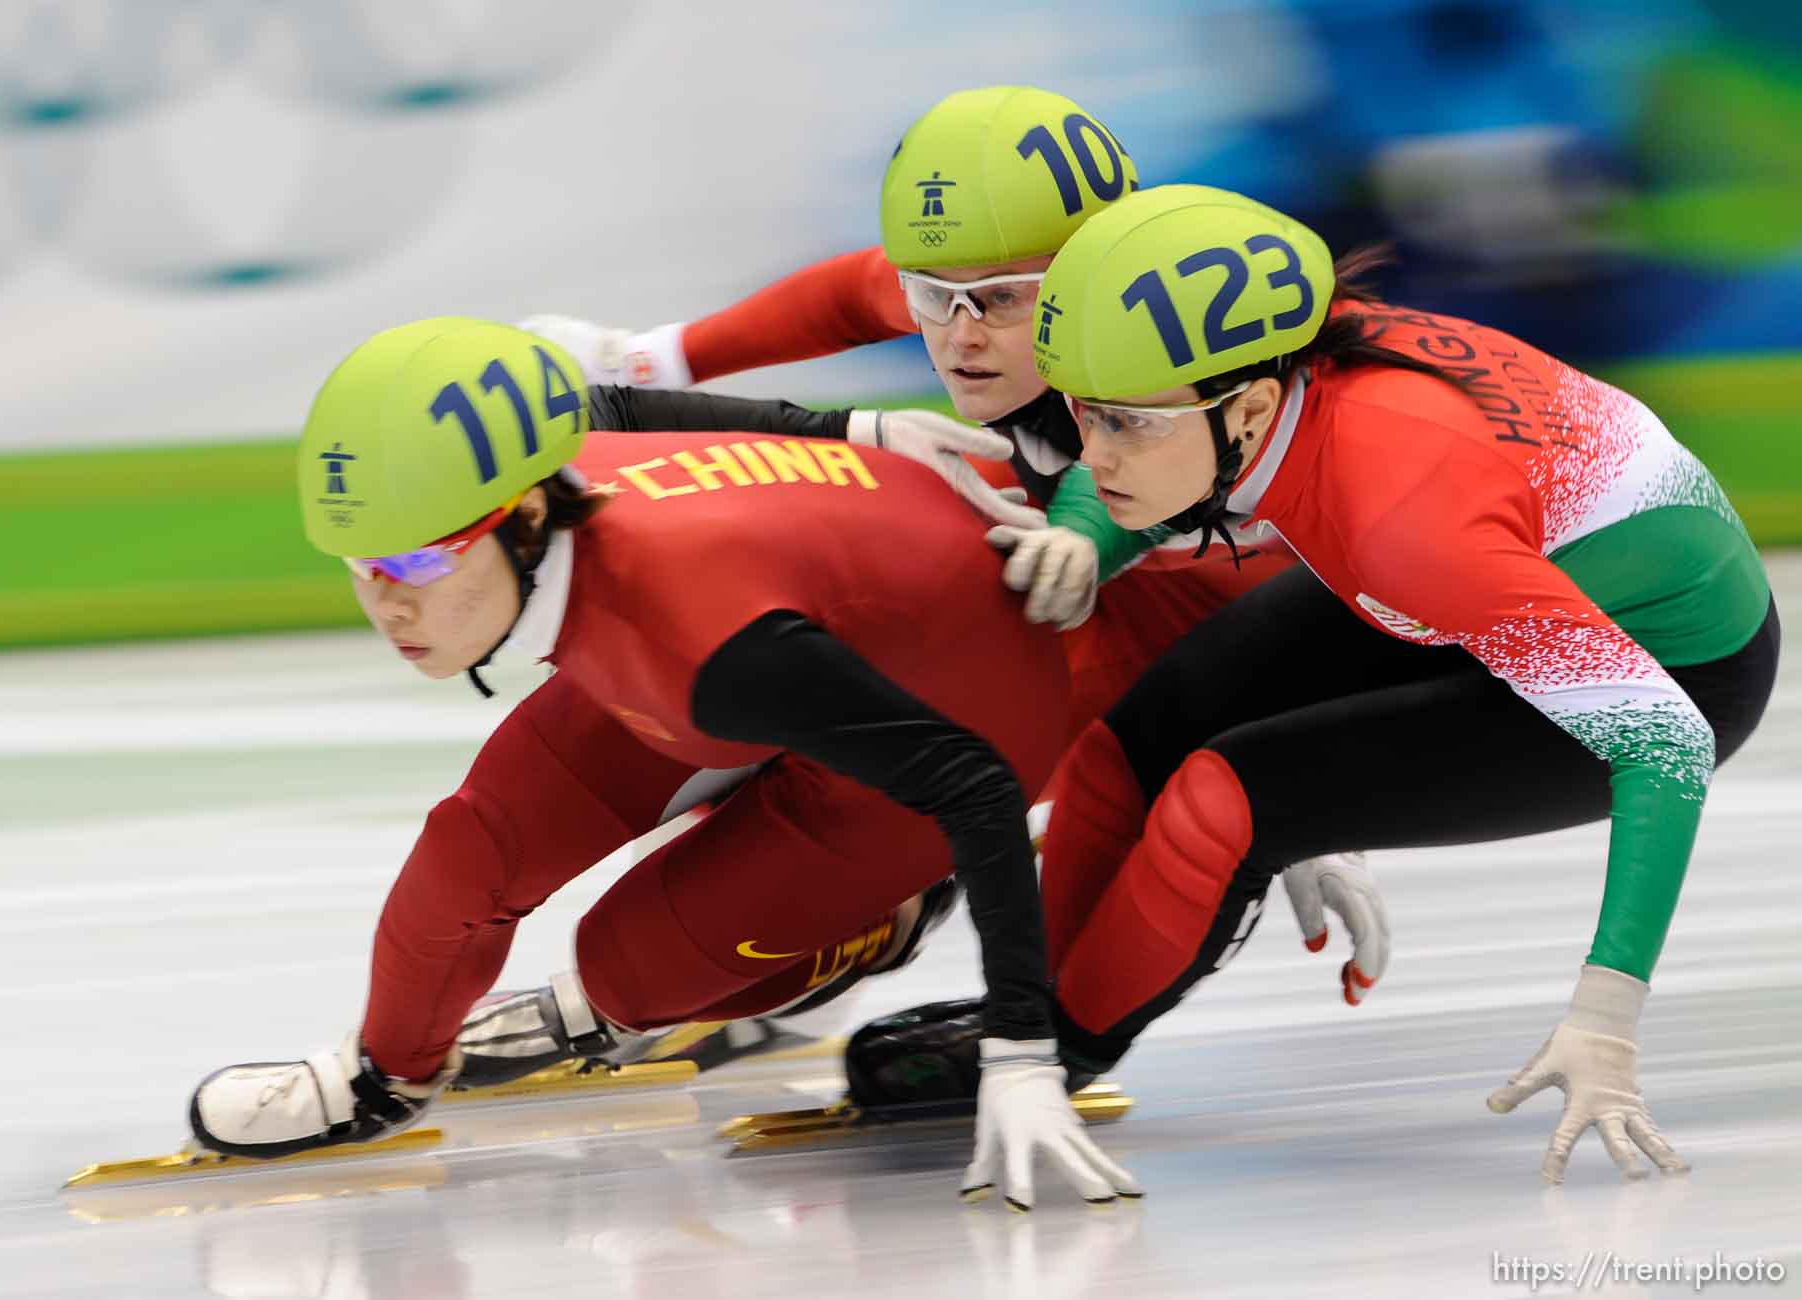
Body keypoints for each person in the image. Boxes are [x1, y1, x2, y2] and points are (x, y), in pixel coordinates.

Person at [185, 317, 1141, 1209]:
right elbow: (616, 407)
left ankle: (883, 918)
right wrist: (856, 426)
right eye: (363, 566)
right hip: (801, 622)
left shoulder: (694, 640)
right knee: (471, 847)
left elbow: (972, 786)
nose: (388, 604)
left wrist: (1021, 1050)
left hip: (962, 701)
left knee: (629, 973)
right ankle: (380, 1081)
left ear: (523, 520)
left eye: (422, 564)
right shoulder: (560, 481)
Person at [969, 183, 1777, 1184]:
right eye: (1082, 416)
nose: (1092, 455)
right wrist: (1086, 532)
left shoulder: (1401, 518)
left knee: (1221, 802)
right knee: (1128, 749)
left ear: (1255, 406)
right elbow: (1173, 450)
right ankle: (1015, 1022)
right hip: (1497, 562)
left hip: (1669, 661)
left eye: (1124, 425)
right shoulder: (1280, 360)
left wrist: (1605, 1017)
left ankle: (1066, 1051)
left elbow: (1665, 740)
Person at [524, 85, 1389, 998]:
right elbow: (854, 294)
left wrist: (1313, 801)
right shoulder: (999, 305)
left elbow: (1168, 484)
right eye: (938, 294)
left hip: (1230, 620)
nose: (963, 330)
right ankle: (859, 890)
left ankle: (899, 920)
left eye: (1005, 295)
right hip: (1119, 567)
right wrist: (653, 360)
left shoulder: (1194, 336)